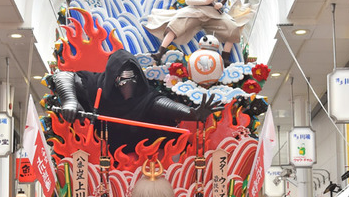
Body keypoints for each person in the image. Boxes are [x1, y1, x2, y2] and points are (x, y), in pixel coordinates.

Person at [50, 48, 221, 155]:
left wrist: (192, 114)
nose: (127, 85)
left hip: (137, 154)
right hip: (98, 150)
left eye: (132, 79)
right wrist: (70, 101)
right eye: (122, 80)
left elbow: (164, 106)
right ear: (112, 78)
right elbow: (63, 75)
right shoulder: (94, 85)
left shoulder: (144, 97)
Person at [146, 0, 252, 66]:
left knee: (233, 28)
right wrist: (204, 1)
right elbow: (188, 0)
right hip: (195, 11)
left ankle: (225, 57)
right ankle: (160, 52)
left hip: (213, 13)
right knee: (175, 25)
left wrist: (222, 2)